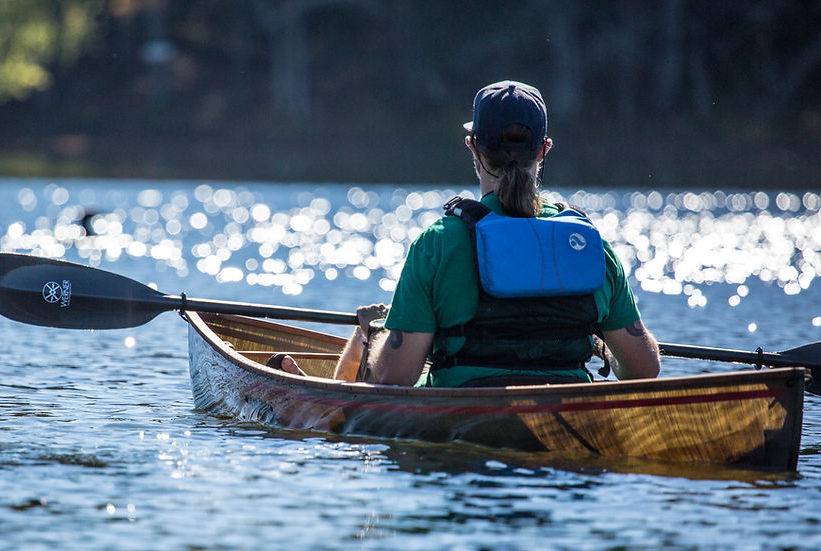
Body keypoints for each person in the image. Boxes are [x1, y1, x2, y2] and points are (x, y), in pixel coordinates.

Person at [280, 80, 660, 387]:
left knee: (370, 363)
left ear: (473, 147)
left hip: (462, 428)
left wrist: (377, 332)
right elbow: (643, 370)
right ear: (543, 151)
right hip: (569, 422)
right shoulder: (590, 246)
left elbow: (394, 378)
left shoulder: (440, 241)